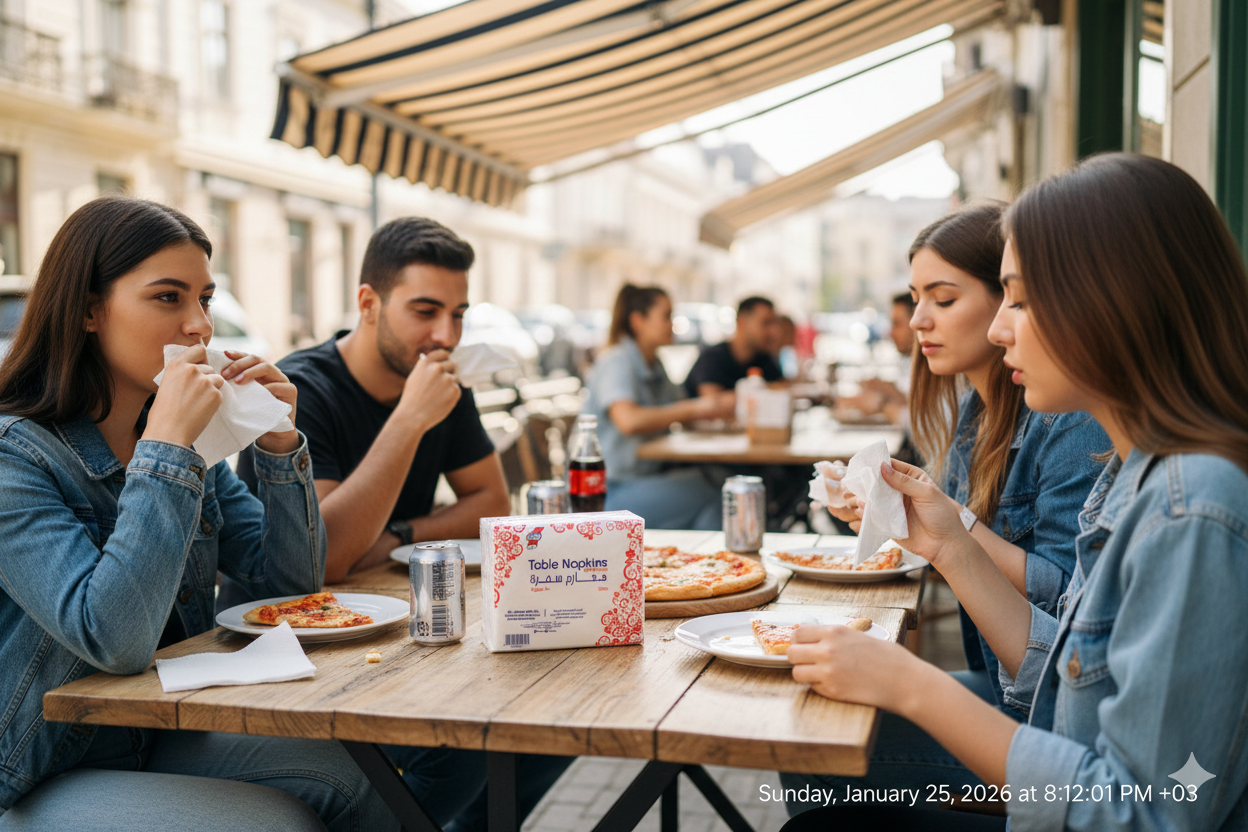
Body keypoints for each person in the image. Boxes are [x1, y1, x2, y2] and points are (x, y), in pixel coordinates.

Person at [786, 153, 1248, 830]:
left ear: (1116, 300)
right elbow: (1067, 686)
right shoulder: (1134, 473)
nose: (1002, 327)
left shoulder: (1191, 506)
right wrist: (948, 540)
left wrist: (911, 685)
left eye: (1023, 299)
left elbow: (1148, 814)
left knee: (829, 794)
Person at [0, 196, 396, 830]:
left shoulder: (191, 448)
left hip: (154, 729)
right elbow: (113, 638)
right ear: (88, 311)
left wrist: (279, 446)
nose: (200, 327)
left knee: (359, 777)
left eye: (205, 300)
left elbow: (289, 590)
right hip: (37, 770)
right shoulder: (17, 458)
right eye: (168, 298)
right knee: (274, 824)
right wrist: (166, 449)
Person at [236, 216, 567, 831]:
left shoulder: (440, 379)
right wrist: (408, 422)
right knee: (470, 748)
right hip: (293, 647)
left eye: (460, 313)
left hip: (399, 629)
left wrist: (397, 538)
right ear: (368, 303)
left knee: (560, 720)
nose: (445, 334)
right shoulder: (300, 389)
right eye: (425, 310)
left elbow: (491, 501)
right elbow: (327, 559)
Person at [784, 202, 1110, 813]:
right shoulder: (975, 412)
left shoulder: (1076, 424)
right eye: (914, 298)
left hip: (1040, 721)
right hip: (1015, 687)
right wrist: (901, 515)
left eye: (943, 298)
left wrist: (949, 527)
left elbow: (1065, 603)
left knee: (814, 744)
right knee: (814, 719)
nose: (917, 321)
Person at [583, 284, 735, 529]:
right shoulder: (617, 361)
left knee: (718, 485)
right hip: (609, 492)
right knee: (719, 492)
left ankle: (695, 561)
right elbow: (629, 421)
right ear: (638, 321)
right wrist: (696, 408)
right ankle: (708, 563)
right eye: (666, 317)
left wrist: (718, 406)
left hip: (646, 479)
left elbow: (683, 411)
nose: (672, 325)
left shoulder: (654, 363)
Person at [684, 296, 784, 396]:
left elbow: (783, 389)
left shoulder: (764, 359)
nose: (774, 332)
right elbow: (713, 404)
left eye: (774, 324)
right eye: (766, 323)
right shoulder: (712, 357)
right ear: (742, 323)